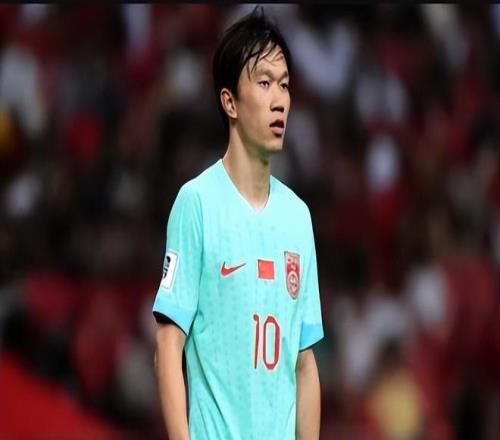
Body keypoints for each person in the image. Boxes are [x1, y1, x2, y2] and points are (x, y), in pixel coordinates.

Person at [152, 7, 324, 440]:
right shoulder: (197, 203)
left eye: (284, 84)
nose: (279, 99)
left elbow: (304, 364)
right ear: (229, 101)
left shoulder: (298, 218)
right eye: (264, 83)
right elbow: (168, 344)